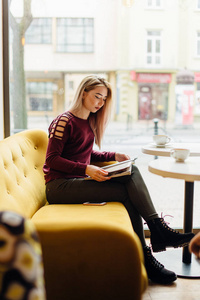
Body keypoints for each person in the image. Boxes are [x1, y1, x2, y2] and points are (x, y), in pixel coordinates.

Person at [43, 75, 194, 285]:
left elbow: (85, 153)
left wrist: (113, 156)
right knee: (128, 186)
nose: (100, 103)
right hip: (59, 187)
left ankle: (148, 250)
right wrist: (86, 169)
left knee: (130, 172)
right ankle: (154, 238)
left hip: (75, 183)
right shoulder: (63, 121)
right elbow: (52, 160)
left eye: (104, 99)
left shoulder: (87, 122)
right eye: (97, 96)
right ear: (83, 92)